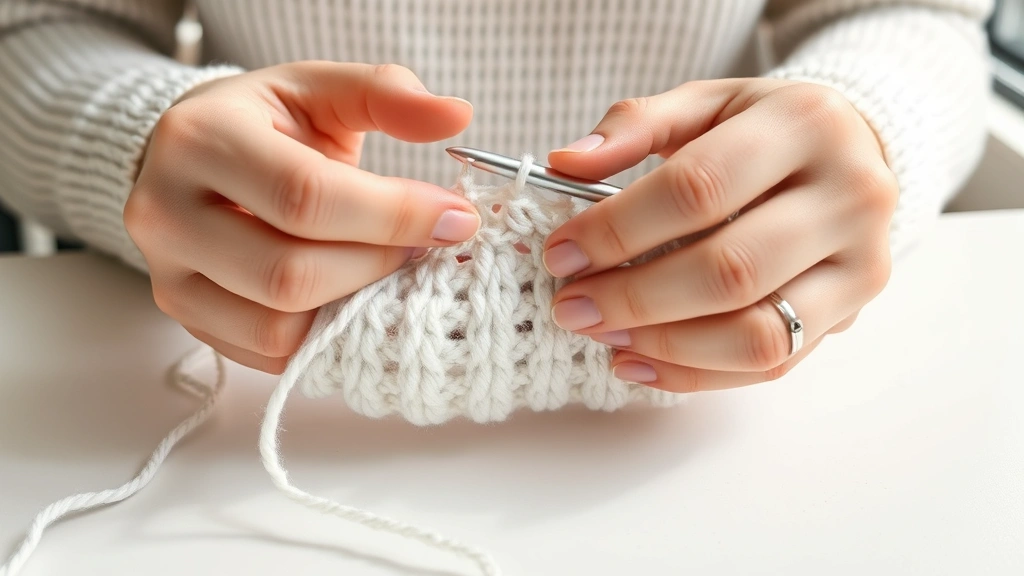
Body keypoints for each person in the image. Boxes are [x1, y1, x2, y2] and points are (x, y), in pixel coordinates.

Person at [0, 0, 993, 390]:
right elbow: (36, 25)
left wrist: (867, 128)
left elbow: (913, 14)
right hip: (243, 388)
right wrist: (133, 141)